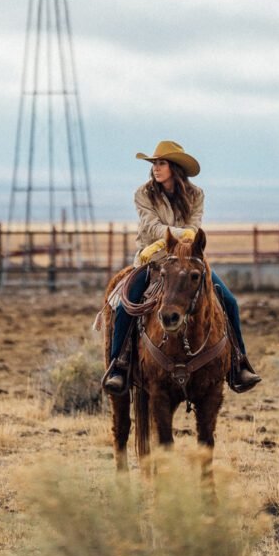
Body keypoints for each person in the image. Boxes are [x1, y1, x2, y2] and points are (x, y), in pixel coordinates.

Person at [102, 140, 261, 395]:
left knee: (229, 302)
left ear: (174, 167)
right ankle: (118, 366)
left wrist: (187, 236)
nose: (156, 168)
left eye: (161, 163)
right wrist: (182, 234)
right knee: (124, 305)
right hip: (153, 261)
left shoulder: (196, 194)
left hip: (188, 263)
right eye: (154, 163)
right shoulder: (143, 194)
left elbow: (195, 228)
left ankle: (238, 364)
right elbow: (152, 227)